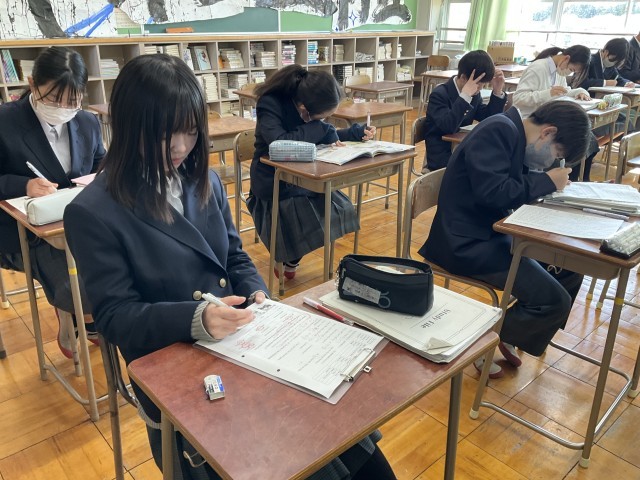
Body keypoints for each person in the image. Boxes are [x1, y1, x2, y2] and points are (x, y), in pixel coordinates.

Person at [64, 54, 396, 480]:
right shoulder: (93, 211)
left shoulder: (202, 179)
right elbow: (115, 318)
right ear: (131, 127)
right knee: (292, 454)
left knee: (352, 449)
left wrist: (258, 292)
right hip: (176, 366)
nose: (180, 147)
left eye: (190, 131)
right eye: (165, 134)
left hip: (245, 343)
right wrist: (196, 317)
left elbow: (235, 256)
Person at [419, 101, 590, 378]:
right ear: (547, 133)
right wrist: (547, 181)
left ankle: (519, 330)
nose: (552, 162)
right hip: (465, 244)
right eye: (557, 154)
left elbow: (506, 188)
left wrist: (546, 183)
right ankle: (483, 343)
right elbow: (494, 193)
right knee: (554, 301)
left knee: (571, 267)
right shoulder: (499, 130)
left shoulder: (512, 134)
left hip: (491, 234)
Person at [0, 46, 105, 358]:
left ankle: (87, 316)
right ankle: (83, 317)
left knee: (121, 262)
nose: (62, 108)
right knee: (78, 285)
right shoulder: (5, 122)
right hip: (26, 232)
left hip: (81, 223)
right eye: (54, 99)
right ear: (33, 84)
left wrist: (103, 176)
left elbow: (100, 163)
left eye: (72, 101)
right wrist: (24, 185)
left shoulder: (86, 122)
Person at [248, 64, 376, 280]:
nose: (322, 122)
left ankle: (291, 258)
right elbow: (279, 143)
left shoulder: (310, 110)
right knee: (305, 215)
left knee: (340, 209)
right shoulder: (270, 103)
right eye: (320, 118)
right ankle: (288, 256)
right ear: (304, 108)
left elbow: (323, 133)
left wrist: (355, 132)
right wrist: (321, 128)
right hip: (273, 178)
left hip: (305, 174)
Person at [513, 45, 599, 182]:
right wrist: (546, 94)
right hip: (531, 122)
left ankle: (576, 180)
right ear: (566, 58)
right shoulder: (538, 68)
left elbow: (564, 91)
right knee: (565, 147)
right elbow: (518, 98)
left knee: (589, 141)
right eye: (571, 69)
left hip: (549, 122)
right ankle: (556, 179)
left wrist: (580, 92)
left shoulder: (558, 72)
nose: (569, 73)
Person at [422, 49, 506, 172]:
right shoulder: (439, 94)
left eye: (483, 85)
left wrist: (497, 91)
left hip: (463, 149)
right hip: (442, 154)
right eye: (478, 84)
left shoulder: (474, 93)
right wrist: (465, 96)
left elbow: (488, 117)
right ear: (463, 78)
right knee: (482, 171)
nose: (480, 89)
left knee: (496, 163)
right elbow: (448, 126)